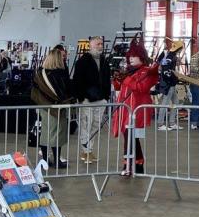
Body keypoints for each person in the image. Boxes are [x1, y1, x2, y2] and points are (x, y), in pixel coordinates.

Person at [111, 40, 159, 176]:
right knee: (130, 137)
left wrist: (126, 79)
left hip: (138, 110)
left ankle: (129, 165)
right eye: (129, 56)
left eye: (133, 56)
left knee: (131, 137)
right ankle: (137, 163)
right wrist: (117, 80)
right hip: (126, 109)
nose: (130, 58)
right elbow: (120, 88)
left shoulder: (147, 72)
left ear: (141, 57)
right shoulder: (129, 71)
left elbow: (141, 88)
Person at [30, 49, 74, 168]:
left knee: (46, 134)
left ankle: (45, 160)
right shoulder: (57, 74)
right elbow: (63, 92)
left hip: (45, 106)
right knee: (56, 134)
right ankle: (55, 160)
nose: (64, 59)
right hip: (55, 107)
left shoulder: (41, 73)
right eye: (62, 57)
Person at [71, 36, 111, 164]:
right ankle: (86, 151)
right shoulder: (82, 61)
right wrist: (82, 97)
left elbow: (107, 79)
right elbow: (77, 81)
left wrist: (106, 96)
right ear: (91, 45)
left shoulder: (104, 60)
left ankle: (88, 150)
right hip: (87, 100)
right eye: (98, 44)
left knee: (96, 125)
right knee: (86, 125)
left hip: (101, 99)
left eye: (101, 44)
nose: (100, 46)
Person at [155, 40, 183, 131]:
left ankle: (172, 123)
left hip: (172, 83)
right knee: (165, 103)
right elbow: (165, 70)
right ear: (179, 48)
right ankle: (160, 124)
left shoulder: (172, 56)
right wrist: (173, 78)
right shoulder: (169, 56)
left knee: (176, 102)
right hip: (168, 84)